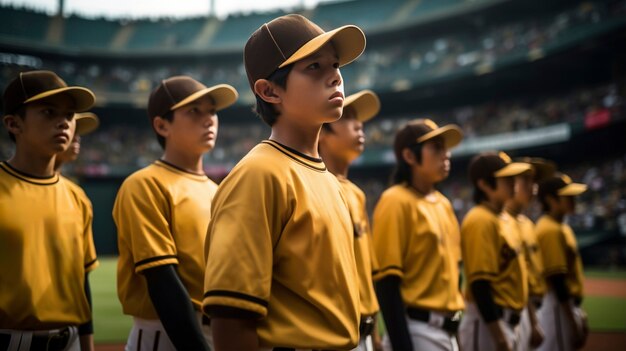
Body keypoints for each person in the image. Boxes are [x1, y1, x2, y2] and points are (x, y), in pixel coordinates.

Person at [202, 14, 366, 351]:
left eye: (335, 65)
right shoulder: (259, 174)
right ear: (269, 90)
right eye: (314, 67)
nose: (335, 76)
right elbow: (231, 316)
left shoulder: (329, 180)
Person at [113, 76, 238, 351]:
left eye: (212, 111)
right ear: (161, 125)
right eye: (194, 111)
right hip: (167, 336)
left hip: (217, 331)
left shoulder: (217, 190)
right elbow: (162, 282)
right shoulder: (145, 183)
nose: (209, 120)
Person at [0, 70, 98, 351]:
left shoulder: (77, 197)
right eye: (48, 112)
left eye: (69, 115)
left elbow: (83, 284)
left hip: (71, 343)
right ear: (13, 123)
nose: (64, 123)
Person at [372, 119, 465, 351]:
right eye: (436, 148)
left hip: (449, 329)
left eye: (446, 148)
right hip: (418, 329)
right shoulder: (395, 200)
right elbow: (387, 283)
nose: (446, 155)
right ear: (410, 156)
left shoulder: (444, 204)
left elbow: (456, 274)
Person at [319, 89, 382, 351]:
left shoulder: (356, 194)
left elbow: (367, 274)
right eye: (347, 118)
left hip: (366, 333)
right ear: (321, 131)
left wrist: (376, 335)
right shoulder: (316, 187)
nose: (358, 125)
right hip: (335, 335)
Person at [458, 152, 532, 351]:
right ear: (484, 184)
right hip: (488, 324)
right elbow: (480, 284)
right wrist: (498, 335)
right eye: (505, 179)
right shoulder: (479, 220)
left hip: (511, 321)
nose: (513, 183)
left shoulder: (505, 218)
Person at [503, 157, 555, 351]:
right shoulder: (502, 222)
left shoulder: (527, 224)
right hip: (517, 311)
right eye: (526, 180)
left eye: (535, 181)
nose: (533, 187)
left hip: (534, 309)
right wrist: (533, 321)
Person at [536, 173, 589, 351]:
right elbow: (557, 279)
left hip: (564, 305)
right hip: (557, 306)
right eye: (567, 196)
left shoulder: (560, 226)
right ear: (551, 199)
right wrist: (571, 319)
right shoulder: (549, 229)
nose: (573, 199)